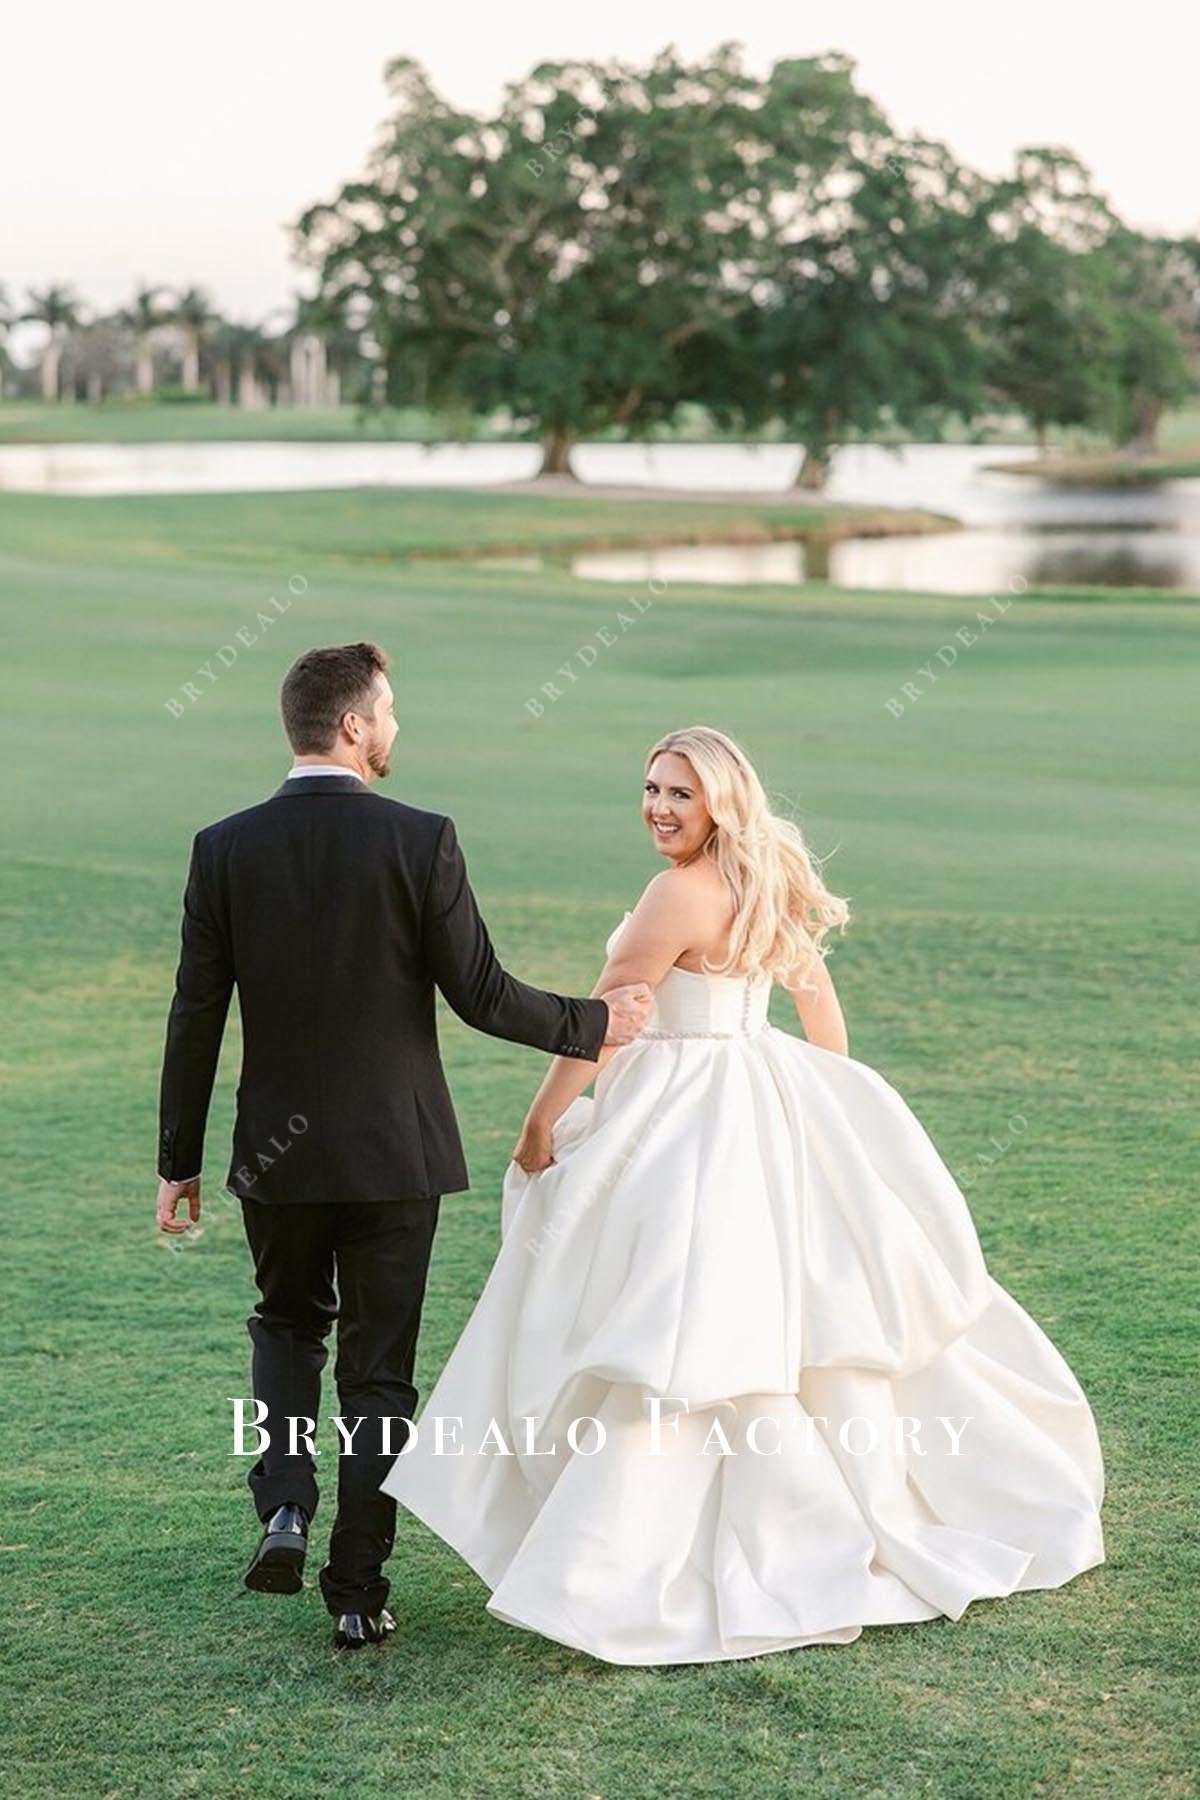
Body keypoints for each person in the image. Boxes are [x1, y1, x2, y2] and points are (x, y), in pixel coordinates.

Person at [381, 724, 1107, 1666]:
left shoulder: (675, 893)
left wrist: (534, 1133)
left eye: (679, 793)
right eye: (648, 788)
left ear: (721, 800)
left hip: (681, 1109)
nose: (657, 808)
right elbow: (819, 1009)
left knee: (664, 1319)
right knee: (761, 1319)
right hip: (759, 1093)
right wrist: (822, 1103)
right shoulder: (758, 882)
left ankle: (631, 1552)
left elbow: (604, 1027)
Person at [154, 642, 652, 1650]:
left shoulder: (224, 848)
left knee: (289, 1324)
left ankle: (285, 1505)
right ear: (352, 725)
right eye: (387, 711)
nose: (394, 728)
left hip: (275, 1160)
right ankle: (356, 1591)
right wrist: (597, 1025)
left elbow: (195, 1012)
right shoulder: (418, 839)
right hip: (394, 1155)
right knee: (378, 1374)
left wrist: (180, 1160)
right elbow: (482, 993)